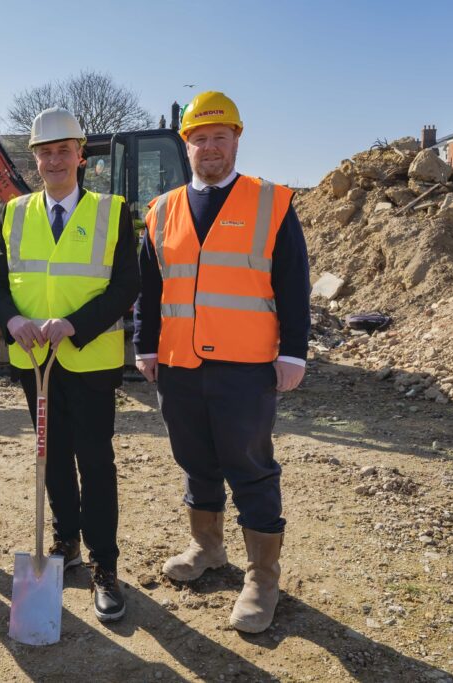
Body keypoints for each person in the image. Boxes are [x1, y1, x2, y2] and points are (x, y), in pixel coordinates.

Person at [133, 91, 310, 634]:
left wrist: (293, 352)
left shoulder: (271, 202)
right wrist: (145, 344)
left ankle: (262, 578)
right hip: (180, 363)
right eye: (199, 139)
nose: (209, 148)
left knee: (250, 468)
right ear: (185, 145)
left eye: (219, 137)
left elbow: (293, 284)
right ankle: (207, 548)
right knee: (195, 459)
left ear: (237, 139)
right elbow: (150, 286)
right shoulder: (162, 210)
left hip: (246, 365)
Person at [0, 108, 140, 623]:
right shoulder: (14, 212)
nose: (54, 160)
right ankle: (65, 541)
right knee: (51, 458)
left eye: (62, 151)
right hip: (35, 362)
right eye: (44, 153)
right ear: (35, 160)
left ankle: (104, 566)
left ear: (80, 155)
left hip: (89, 362)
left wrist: (75, 323)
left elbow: (126, 286)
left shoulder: (112, 211)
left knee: (95, 462)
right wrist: (10, 321)